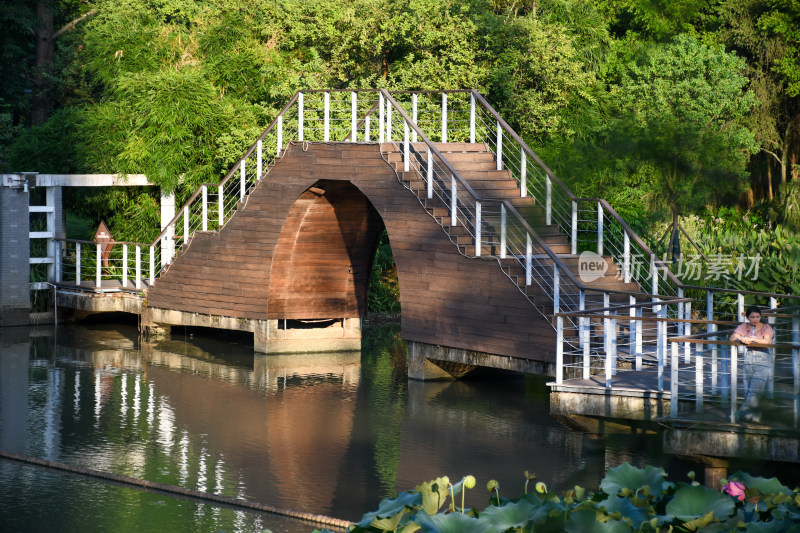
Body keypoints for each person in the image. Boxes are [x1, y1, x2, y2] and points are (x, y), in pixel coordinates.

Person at [729, 306, 774, 423]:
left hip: (762, 356)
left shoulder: (766, 327)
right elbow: (732, 338)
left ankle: (739, 413)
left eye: (757, 316)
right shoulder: (744, 326)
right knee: (748, 389)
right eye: (752, 317)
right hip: (749, 356)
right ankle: (755, 416)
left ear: (760, 316)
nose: (755, 319)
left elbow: (767, 342)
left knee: (756, 389)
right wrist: (741, 339)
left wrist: (750, 339)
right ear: (748, 317)